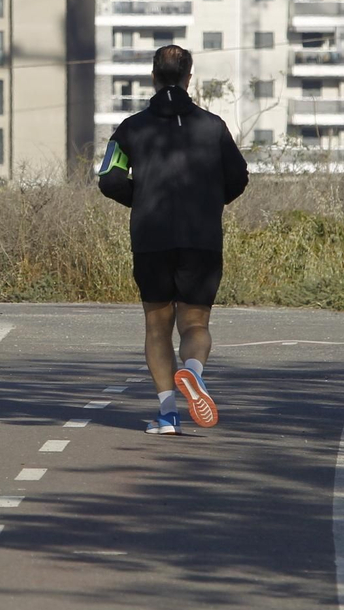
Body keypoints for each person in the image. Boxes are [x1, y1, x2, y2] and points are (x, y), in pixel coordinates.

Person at [97, 45, 250, 435]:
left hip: (151, 237)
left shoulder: (130, 128)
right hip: (202, 238)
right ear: (188, 78)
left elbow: (109, 179)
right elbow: (239, 177)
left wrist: (142, 199)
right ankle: (193, 372)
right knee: (195, 323)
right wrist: (209, 202)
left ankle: (168, 415)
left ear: (153, 77)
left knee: (157, 325)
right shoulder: (213, 126)